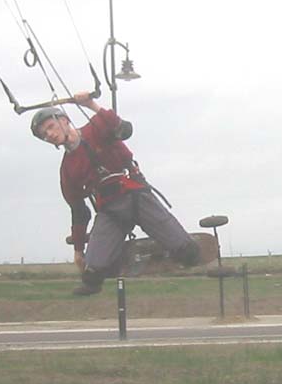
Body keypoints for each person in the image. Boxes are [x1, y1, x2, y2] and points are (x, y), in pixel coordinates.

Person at [30, 92, 201, 295]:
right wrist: (78, 250)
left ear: (64, 120)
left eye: (50, 127)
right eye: (44, 134)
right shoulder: (67, 169)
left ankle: (171, 247)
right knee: (92, 277)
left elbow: (124, 129)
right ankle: (116, 257)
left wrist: (91, 104)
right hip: (111, 211)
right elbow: (79, 211)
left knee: (189, 254)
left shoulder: (95, 128)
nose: (49, 134)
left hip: (137, 197)